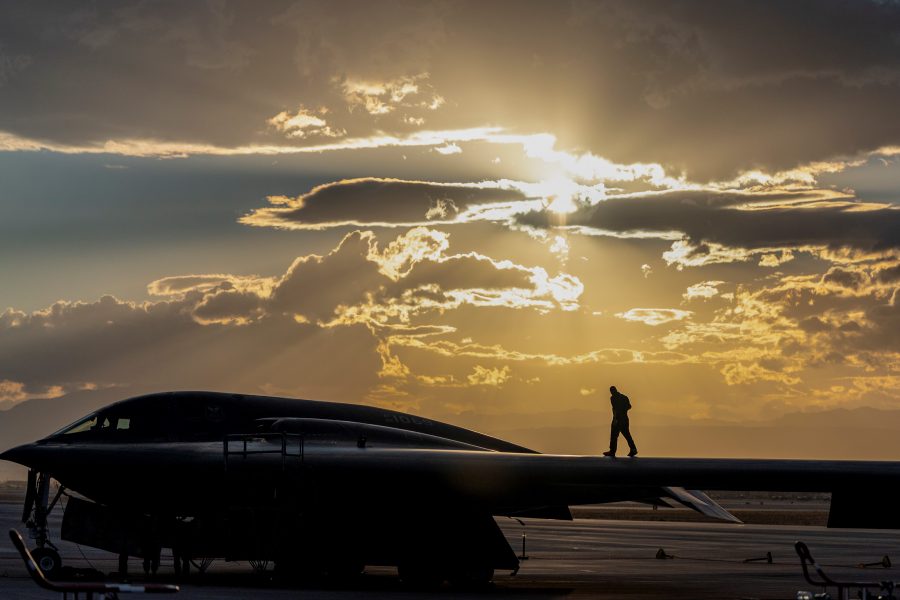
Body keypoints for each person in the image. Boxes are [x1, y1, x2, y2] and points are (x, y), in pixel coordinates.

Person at [603, 385, 637, 457]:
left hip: (618, 419)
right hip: (624, 419)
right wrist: (623, 410)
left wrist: (615, 419)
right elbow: (629, 406)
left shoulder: (613, 398)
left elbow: (615, 409)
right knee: (627, 435)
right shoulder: (624, 397)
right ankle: (633, 449)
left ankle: (612, 451)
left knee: (614, 436)